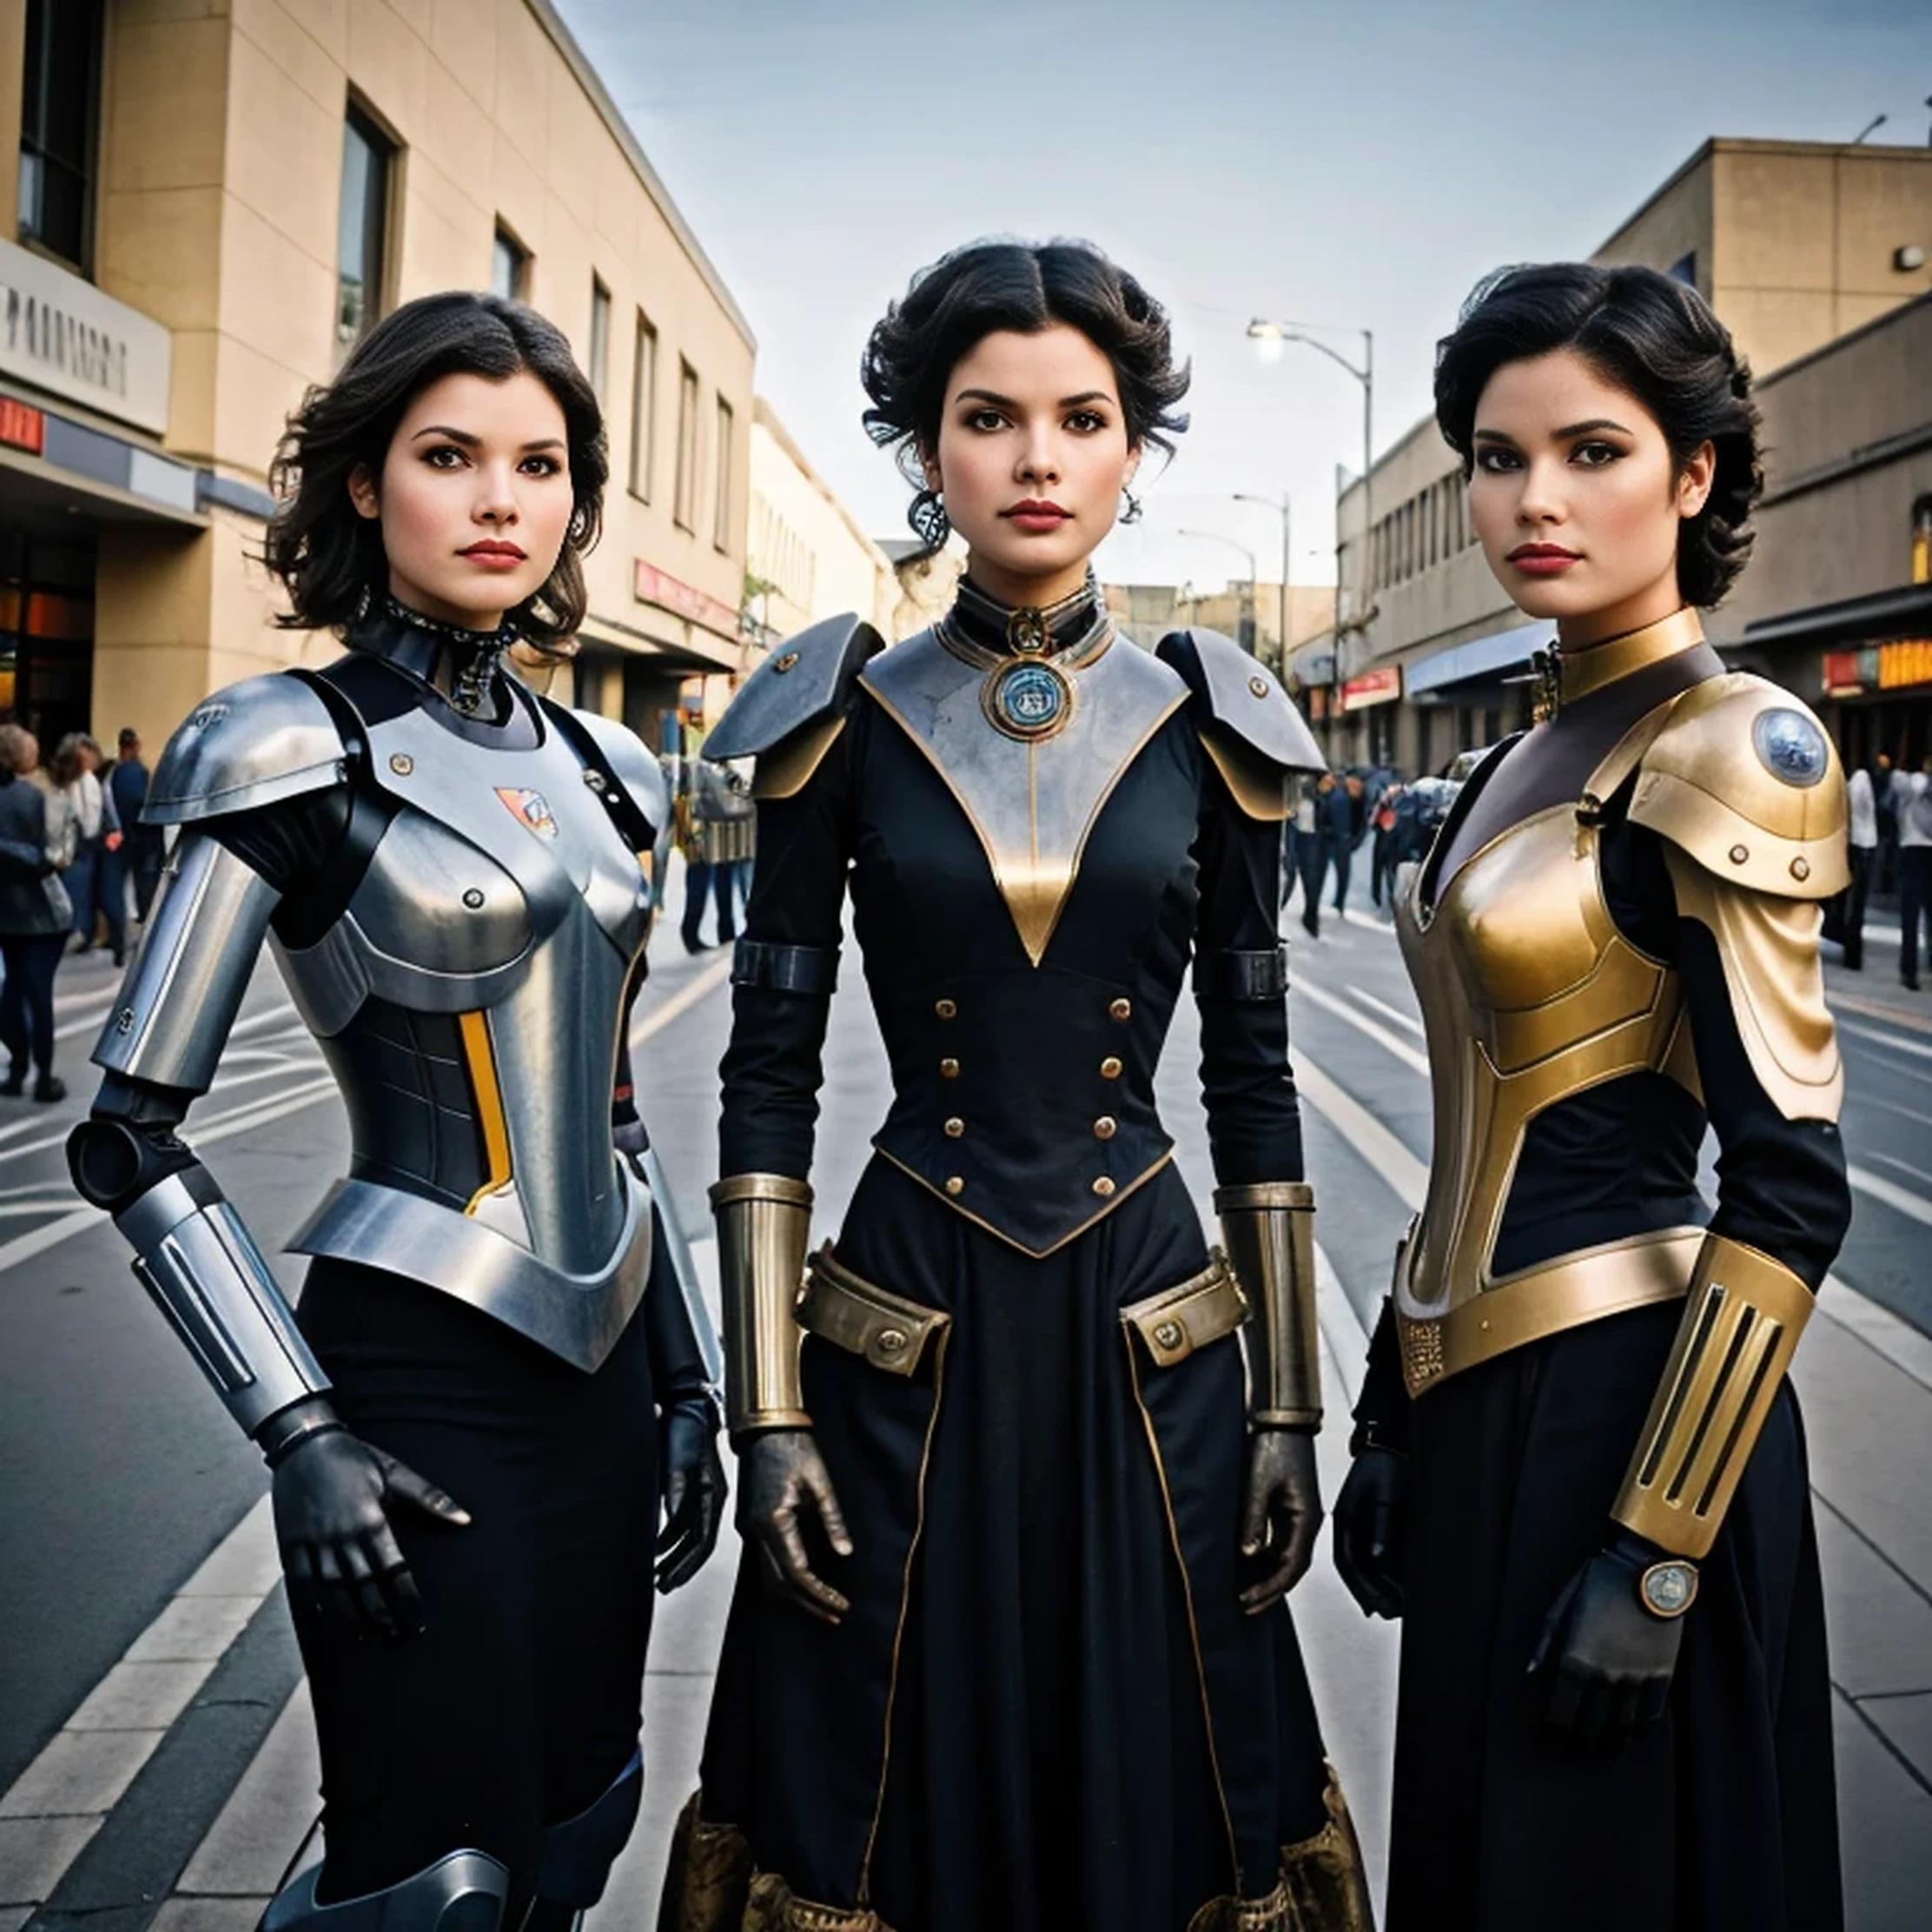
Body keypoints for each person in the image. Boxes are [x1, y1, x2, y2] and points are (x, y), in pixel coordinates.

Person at [658, 239, 1371, 1932]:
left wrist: (1286, 1402)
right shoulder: (833, 711)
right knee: (879, 1783)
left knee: (1173, 1768)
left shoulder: (1215, 718)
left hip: (1152, 1329)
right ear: (925, 448)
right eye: (989, 417)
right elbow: (763, 1088)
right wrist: (767, 1414)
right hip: (908, 1323)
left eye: (1081, 417)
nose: (1036, 457)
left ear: (1134, 448)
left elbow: (1250, 1080)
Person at [64, 291, 727, 1931]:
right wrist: (299, 1428)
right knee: (428, 1878)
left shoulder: (610, 768)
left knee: (581, 1817)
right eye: (450, 455)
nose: (502, 499)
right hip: (412, 1378)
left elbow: (621, 1116)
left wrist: (690, 1377)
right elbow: (128, 1131)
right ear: (367, 483)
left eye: (540, 463)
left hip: (606, 1385)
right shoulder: (282, 742)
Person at [1332, 262, 1851, 1930]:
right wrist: (1386, 1411)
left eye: (1589, 449)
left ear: (1691, 474)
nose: (1530, 498)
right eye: (1495, 456)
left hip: (1629, 1417)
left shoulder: (1728, 743)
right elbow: (1470, 1119)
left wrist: (1656, 1544)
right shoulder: (1510, 751)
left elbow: (1786, 1191)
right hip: (1480, 1401)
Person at [0, 724, 71, 1100]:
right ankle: (42, 1077)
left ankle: (18, 1068)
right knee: (36, 993)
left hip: (9, 911)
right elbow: (54, 854)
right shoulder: (34, 795)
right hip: (42, 910)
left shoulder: (26, 794)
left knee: (12, 990)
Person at [107, 727, 165, 930]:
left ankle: (139, 914)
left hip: (125, 833)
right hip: (144, 833)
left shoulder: (116, 772)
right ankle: (146, 914)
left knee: (129, 878)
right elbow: (139, 801)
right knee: (146, 876)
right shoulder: (138, 771)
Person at [1840, 759, 1878, 970]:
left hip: (1857, 843)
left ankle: (1851, 952)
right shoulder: (1862, 777)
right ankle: (1852, 955)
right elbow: (1858, 808)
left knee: (1854, 904)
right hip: (1861, 844)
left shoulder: (1856, 779)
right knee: (1856, 905)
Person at [1901, 752, 1932, 992]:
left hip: (1911, 849)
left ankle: (1909, 971)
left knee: (1910, 916)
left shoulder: (1908, 783)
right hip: (1919, 849)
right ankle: (1915, 968)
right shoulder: (1916, 782)